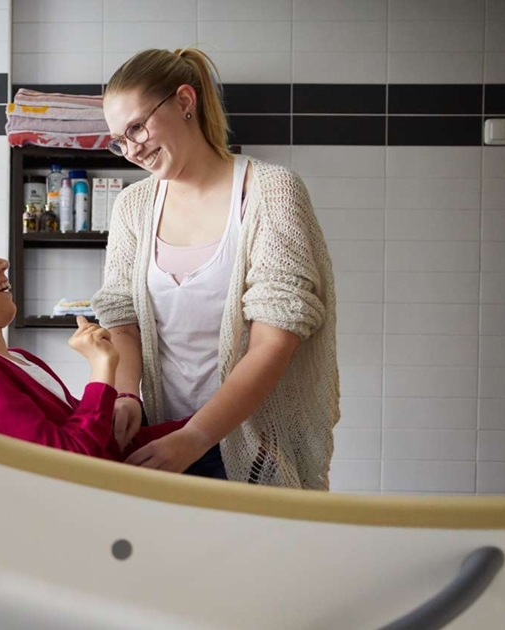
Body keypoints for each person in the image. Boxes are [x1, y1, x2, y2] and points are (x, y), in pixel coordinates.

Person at [92, 47, 340, 489]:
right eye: (119, 140)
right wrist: (128, 394)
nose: (131, 150)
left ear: (184, 101)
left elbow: (274, 340)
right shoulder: (133, 205)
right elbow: (122, 319)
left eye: (137, 127)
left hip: (255, 443)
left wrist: (196, 436)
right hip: (164, 434)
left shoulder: (271, 192)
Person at [0, 216, 225, 477]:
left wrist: (210, 428)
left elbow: (104, 441)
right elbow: (67, 465)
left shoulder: (17, 358)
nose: (2, 262)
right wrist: (102, 369)